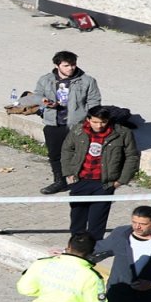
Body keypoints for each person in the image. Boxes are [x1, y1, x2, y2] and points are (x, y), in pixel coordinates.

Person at [62, 106, 140, 242]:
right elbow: (67, 150)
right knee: (77, 217)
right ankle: (76, 245)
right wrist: (69, 173)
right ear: (88, 119)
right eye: (95, 122)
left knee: (97, 219)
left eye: (103, 122)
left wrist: (121, 181)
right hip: (80, 180)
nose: (99, 126)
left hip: (104, 184)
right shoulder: (78, 130)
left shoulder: (122, 133)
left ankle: (94, 247)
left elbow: (132, 157)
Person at [36, 51, 101, 195]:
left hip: (77, 124)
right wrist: (45, 102)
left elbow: (94, 102)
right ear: (57, 65)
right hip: (54, 123)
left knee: (79, 154)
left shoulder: (87, 81)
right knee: (55, 155)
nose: (70, 68)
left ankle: (82, 182)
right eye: (66, 65)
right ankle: (60, 181)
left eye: (73, 65)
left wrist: (89, 120)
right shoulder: (45, 80)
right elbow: (38, 95)